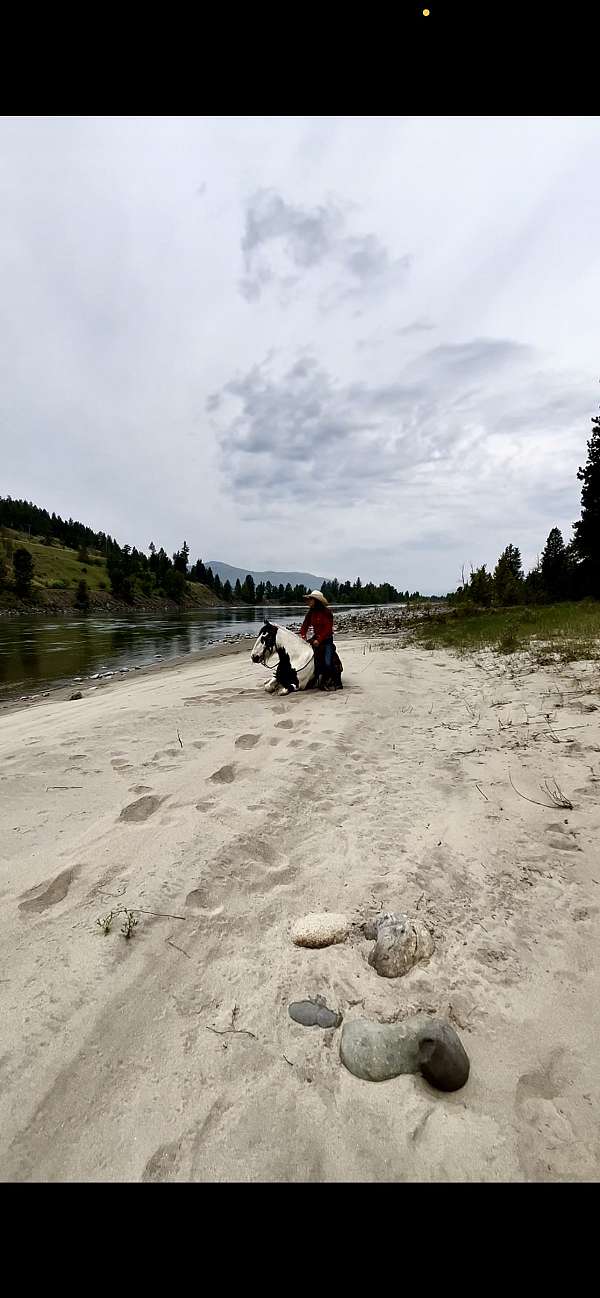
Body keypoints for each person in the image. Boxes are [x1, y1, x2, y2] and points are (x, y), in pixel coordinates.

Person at [299, 590, 335, 684]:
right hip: (315, 638)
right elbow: (304, 626)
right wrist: (303, 636)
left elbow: (327, 628)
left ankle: (330, 679)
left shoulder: (326, 612)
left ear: (316, 600)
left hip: (327, 640)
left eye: (310, 599)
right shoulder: (311, 612)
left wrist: (319, 640)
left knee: (327, 662)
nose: (308, 602)